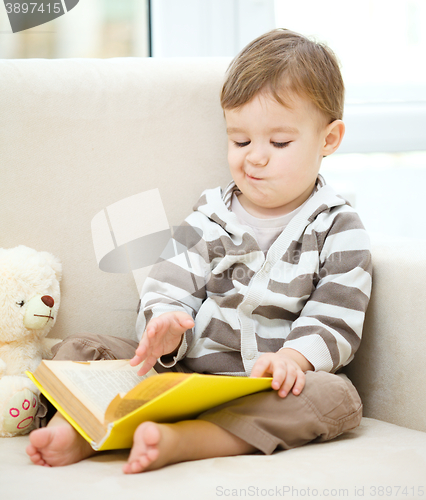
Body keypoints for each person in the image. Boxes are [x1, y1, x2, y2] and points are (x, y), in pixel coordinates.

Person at [26, 28, 372, 474]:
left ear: (328, 140)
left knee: (339, 398)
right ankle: (81, 430)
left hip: (271, 388)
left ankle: (190, 439)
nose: (255, 158)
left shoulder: (340, 228)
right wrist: (165, 326)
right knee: (81, 347)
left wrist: (293, 359)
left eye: (279, 143)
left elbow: (337, 318)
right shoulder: (208, 219)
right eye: (241, 141)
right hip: (183, 376)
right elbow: (166, 289)